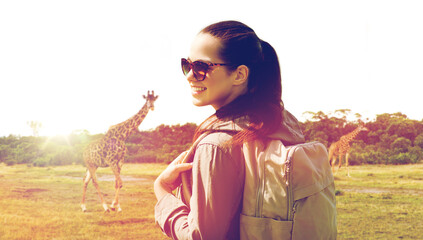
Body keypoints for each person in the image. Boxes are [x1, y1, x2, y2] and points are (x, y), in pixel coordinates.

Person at [154, 20, 305, 239]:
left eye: (201, 67)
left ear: (239, 75)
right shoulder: (284, 126)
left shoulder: (216, 146)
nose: (189, 76)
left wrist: (162, 190)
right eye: (187, 65)